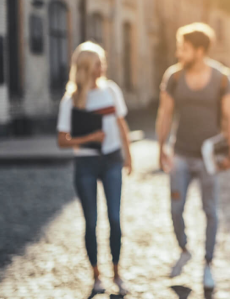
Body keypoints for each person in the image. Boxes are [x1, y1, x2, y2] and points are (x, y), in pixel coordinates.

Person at [156, 22, 230, 290]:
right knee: (176, 208)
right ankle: (184, 247)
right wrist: (161, 147)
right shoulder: (174, 77)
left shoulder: (223, 78)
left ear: (200, 51)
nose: (179, 53)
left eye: (185, 48)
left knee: (210, 211)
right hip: (180, 154)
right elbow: (165, 114)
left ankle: (208, 264)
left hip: (208, 158)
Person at [57, 41, 133, 296]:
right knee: (91, 221)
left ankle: (117, 272)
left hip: (112, 159)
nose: (102, 67)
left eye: (102, 62)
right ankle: (96, 275)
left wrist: (128, 155)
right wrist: (89, 138)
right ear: (86, 67)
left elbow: (122, 124)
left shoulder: (111, 90)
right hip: (86, 164)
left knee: (114, 217)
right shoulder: (71, 100)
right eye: (97, 63)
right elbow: (62, 139)